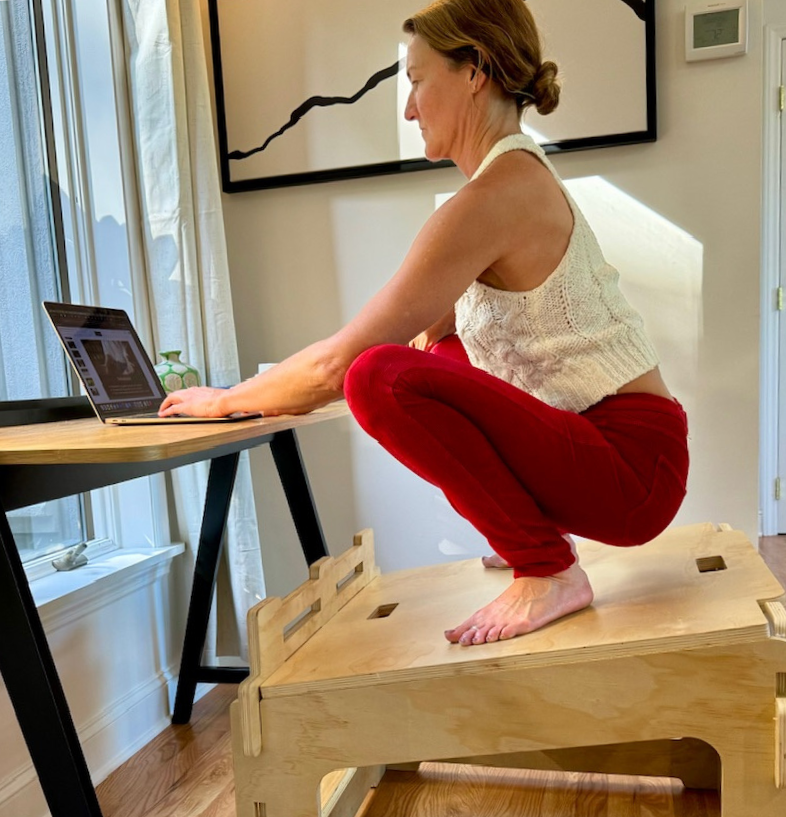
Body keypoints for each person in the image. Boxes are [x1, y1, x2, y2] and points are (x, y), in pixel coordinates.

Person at [160, 0, 688, 647]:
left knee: (377, 377)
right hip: (608, 452)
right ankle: (541, 536)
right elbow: (413, 339)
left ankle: (547, 567)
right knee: (433, 348)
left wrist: (224, 401)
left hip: (630, 468)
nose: (409, 107)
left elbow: (342, 365)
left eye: (415, 79)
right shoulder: (504, 186)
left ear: (476, 72)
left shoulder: (496, 196)